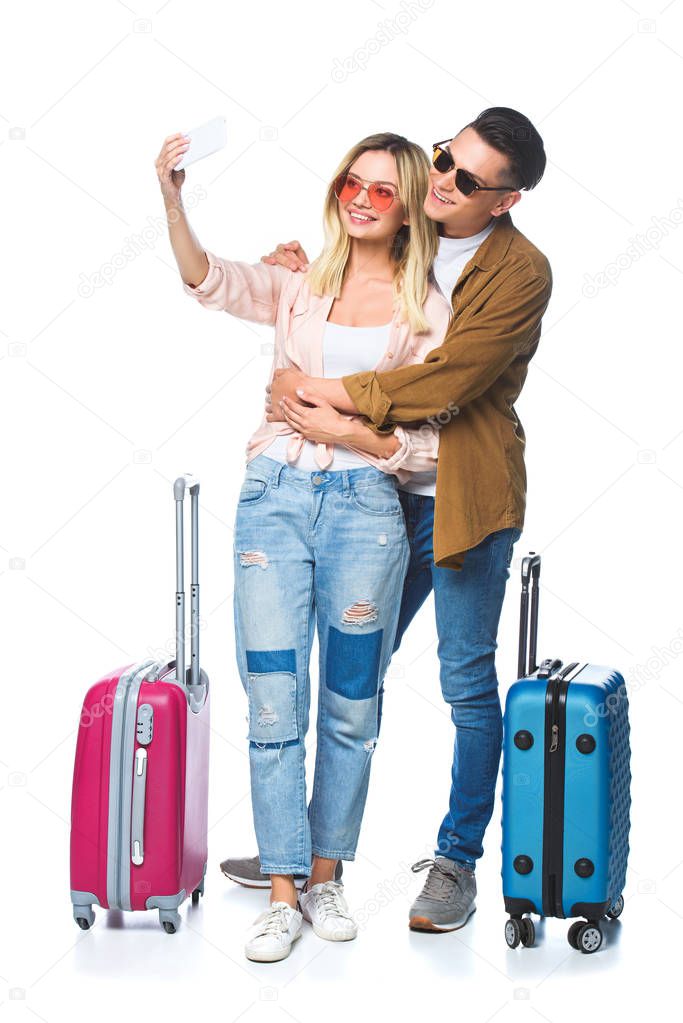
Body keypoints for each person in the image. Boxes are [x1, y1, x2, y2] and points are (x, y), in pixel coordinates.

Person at [221, 106, 553, 935]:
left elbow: (447, 378)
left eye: (468, 179)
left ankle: (455, 860)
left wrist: (325, 406)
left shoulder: (519, 272)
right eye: (443, 159)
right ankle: (296, 853)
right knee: (346, 679)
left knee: (465, 685)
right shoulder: (408, 229)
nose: (443, 180)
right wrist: (298, 269)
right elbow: (343, 277)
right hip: (364, 498)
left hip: (459, 499)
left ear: (503, 201)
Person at [156, 130, 451, 961]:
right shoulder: (297, 280)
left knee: (351, 709)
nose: (360, 198)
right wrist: (174, 199)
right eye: (351, 182)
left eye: (382, 191)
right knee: (274, 701)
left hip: (367, 512)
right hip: (273, 502)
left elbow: (431, 442)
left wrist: (346, 427)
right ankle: (283, 889)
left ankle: (327, 876)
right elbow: (206, 280)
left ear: (406, 212)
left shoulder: (429, 308)